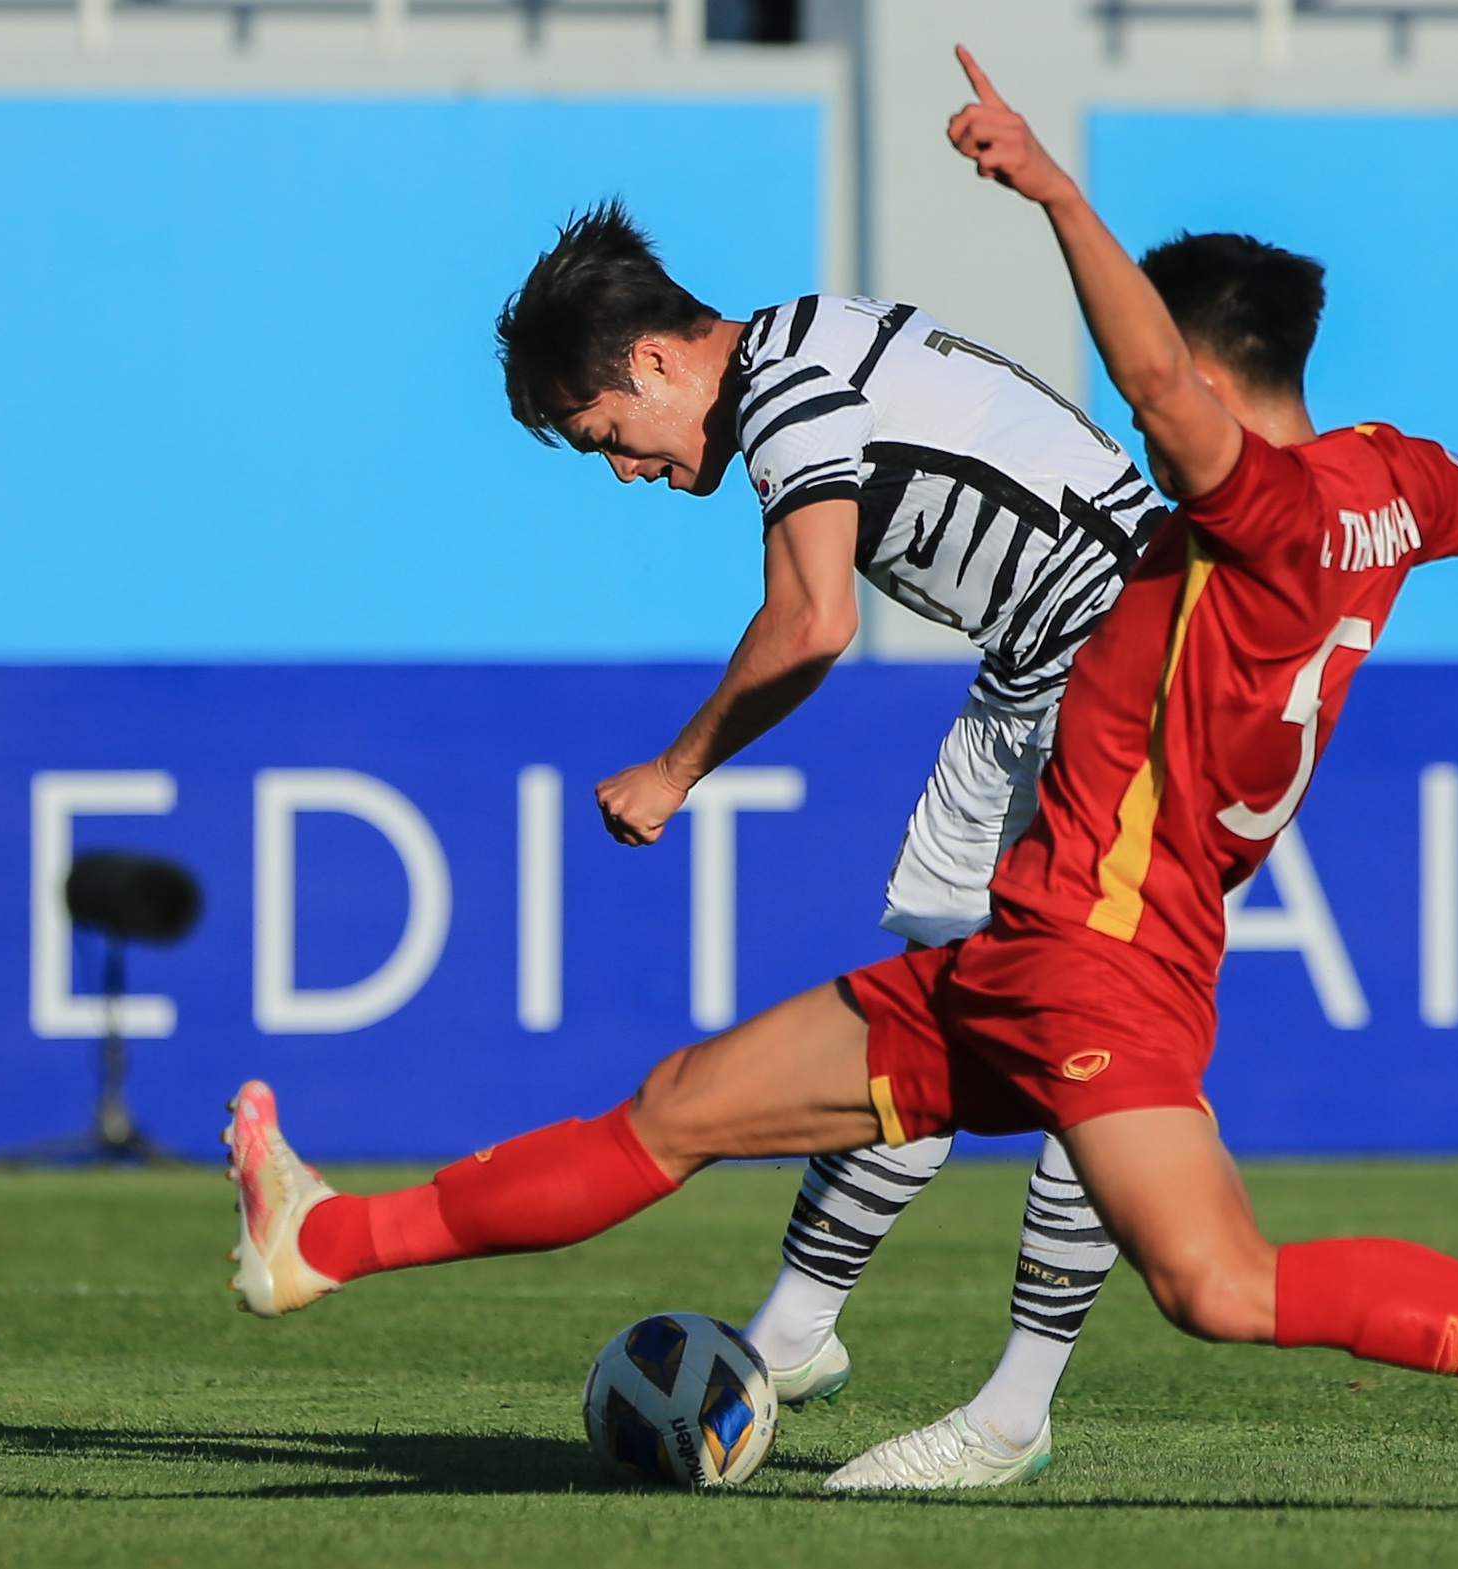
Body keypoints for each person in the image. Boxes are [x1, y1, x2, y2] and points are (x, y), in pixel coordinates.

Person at [218, 48, 1458, 1516]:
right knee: (685, 1103)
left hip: (1103, 949)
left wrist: (1053, 193)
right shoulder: (1397, 481)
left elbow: (906, 560)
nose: (1124, 422)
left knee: (1222, 1286)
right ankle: (322, 1243)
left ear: (1200, 377)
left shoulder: (1256, 509)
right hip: (1028, 943)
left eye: (1150, 395)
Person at [501, 203, 1169, 1485]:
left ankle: (1012, 1418)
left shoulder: (791, 388)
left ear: (650, 363)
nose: (625, 470)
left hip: (1127, 680)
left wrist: (673, 768)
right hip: (1038, 678)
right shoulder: (807, 344)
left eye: (606, 438)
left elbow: (812, 620)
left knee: (1089, 1045)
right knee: (924, 1009)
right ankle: (790, 1339)